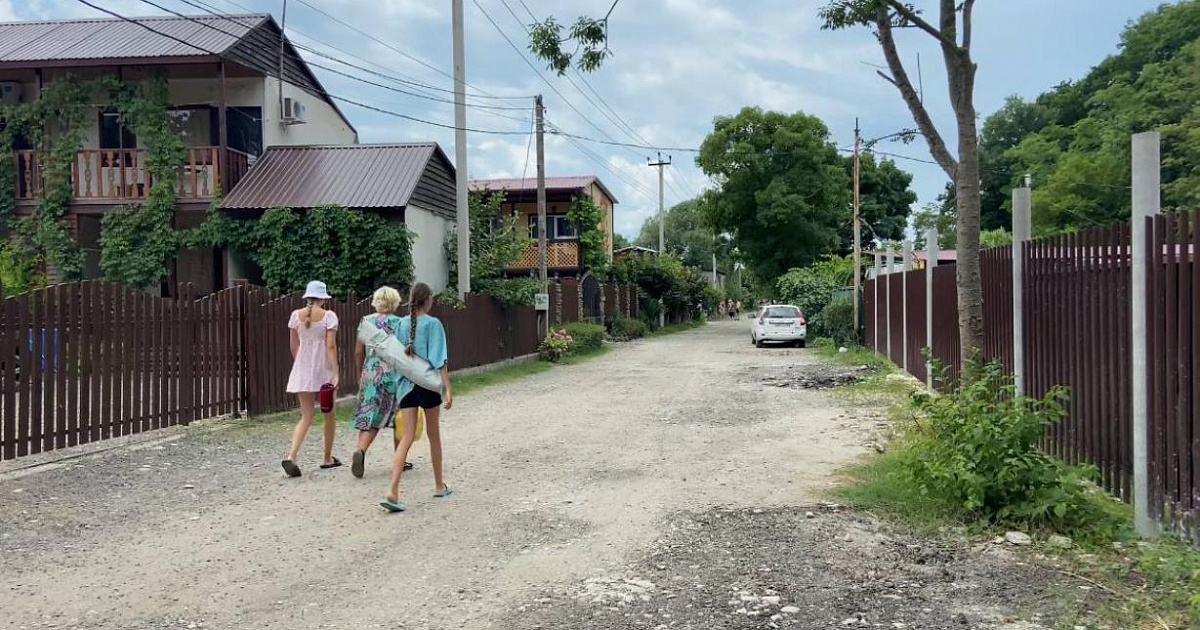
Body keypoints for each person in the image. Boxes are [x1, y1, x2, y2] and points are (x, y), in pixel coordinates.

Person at [380, 282, 453, 513]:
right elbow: (439, 359)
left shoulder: (400, 324)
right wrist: (448, 389)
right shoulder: (434, 324)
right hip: (428, 386)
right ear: (428, 299)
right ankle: (439, 484)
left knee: (407, 437)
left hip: (406, 387)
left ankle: (392, 490)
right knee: (433, 435)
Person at [349, 286, 414, 479]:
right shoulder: (401, 323)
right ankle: (399, 459)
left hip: (371, 373)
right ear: (395, 302)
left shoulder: (366, 321)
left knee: (370, 416)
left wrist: (360, 374)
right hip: (393, 374)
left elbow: (358, 351)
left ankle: (360, 450)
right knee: (399, 417)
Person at [282, 280, 341, 478]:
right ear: (323, 298)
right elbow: (330, 346)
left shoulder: (295, 316)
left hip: (303, 369)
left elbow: (292, 346)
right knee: (329, 414)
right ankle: (326, 457)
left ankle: (291, 456)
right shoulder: (329, 316)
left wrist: (303, 363)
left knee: (305, 416)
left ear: (307, 296)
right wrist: (335, 372)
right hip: (323, 369)